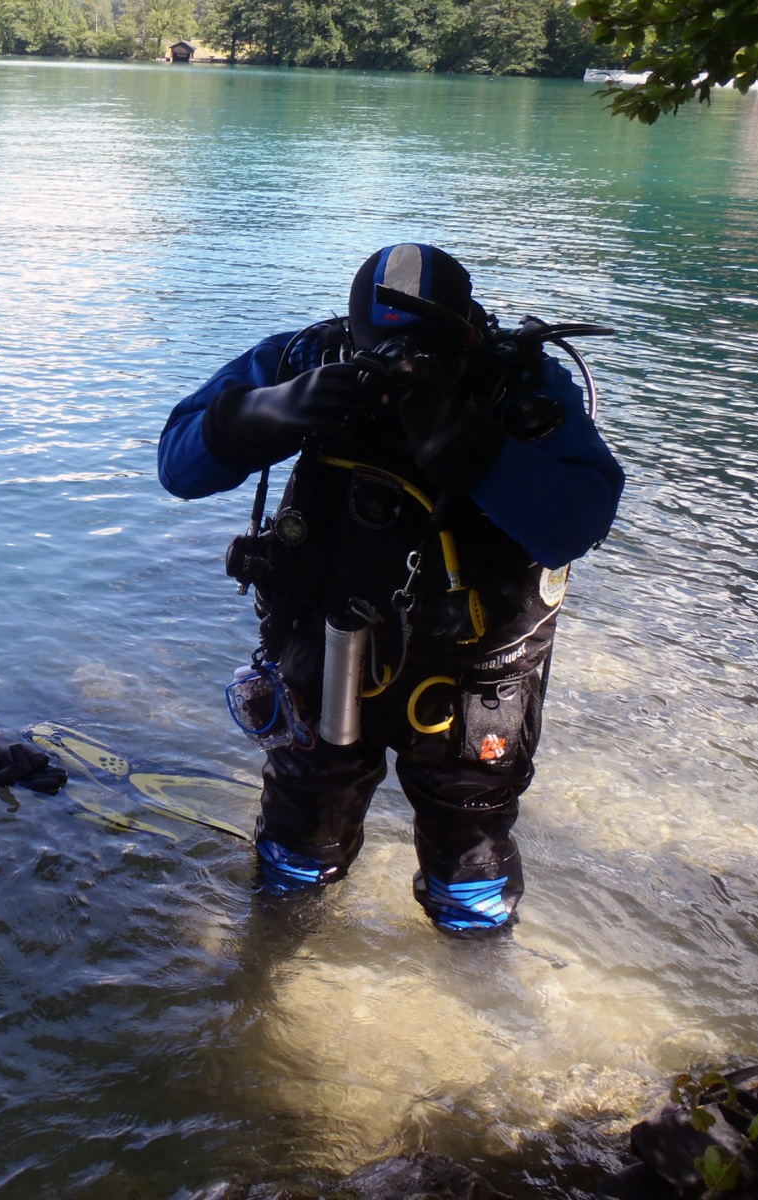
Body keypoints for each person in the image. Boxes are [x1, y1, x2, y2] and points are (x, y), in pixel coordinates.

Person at [157, 244, 624, 932]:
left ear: (467, 336)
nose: (396, 369)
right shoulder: (310, 357)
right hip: (326, 652)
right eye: (379, 351)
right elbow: (178, 465)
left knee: (470, 871)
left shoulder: (516, 385)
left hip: (471, 678)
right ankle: (274, 955)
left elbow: (578, 524)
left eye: (420, 355)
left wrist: (483, 454)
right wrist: (264, 412)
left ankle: (476, 976)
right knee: (295, 853)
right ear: (352, 335)